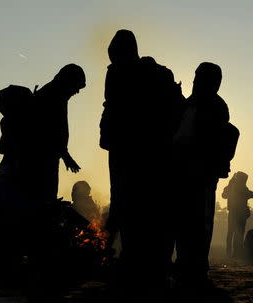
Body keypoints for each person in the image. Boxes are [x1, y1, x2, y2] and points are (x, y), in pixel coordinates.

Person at [99, 29, 184, 293]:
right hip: (135, 151)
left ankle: (143, 262)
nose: (113, 61)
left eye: (115, 55)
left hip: (141, 151)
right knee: (131, 204)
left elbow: (113, 107)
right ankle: (138, 261)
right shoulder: (139, 73)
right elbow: (111, 106)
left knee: (139, 204)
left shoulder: (142, 74)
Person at [172, 62, 238, 286]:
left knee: (199, 221)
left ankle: (196, 266)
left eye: (200, 77)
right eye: (195, 76)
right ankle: (185, 263)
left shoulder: (216, 107)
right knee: (184, 220)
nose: (195, 80)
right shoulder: (189, 103)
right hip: (183, 169)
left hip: (201, 171)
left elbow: (206, 139)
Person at [22, 63, 85, 201]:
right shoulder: (52, 97)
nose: (77, 92)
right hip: (41, 157)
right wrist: (65, 155)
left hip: (48, 156)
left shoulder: (56, 95)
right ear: (69, 81)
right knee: (43, 198)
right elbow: (51, 132)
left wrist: (64, 155)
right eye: (77, 86)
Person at [222, 171, 253, 258]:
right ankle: (234, 252)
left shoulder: (236, 188)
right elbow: (224, 195)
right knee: (235, 232)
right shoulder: (239, 188)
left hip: (236, 214)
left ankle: (234, 252)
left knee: (234, 232)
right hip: (238, 214)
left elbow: (224, 195)